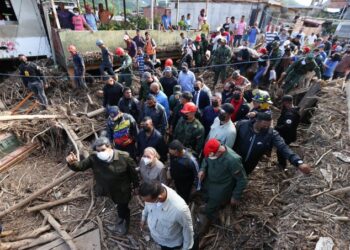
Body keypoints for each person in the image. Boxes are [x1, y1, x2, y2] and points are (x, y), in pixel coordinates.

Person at [66, 137, 139, 235]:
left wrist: (136, 186)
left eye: (103, 150)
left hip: (122, 191)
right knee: (117, 204)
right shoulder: (94, 158)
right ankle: (120, 218)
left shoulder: (124, 157)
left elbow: (133, 174)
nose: (101, 153)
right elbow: (81, 166)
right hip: (107, 190)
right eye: (98, 151)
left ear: (111, 147)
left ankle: (124, 225)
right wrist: (72, 163)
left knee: (123, 208)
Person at [234, 112, 311, 175]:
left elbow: (283, 147)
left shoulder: (271, 134)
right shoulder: (242, 124)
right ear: (257, 120)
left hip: (249, 165)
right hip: (234, 161)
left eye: (269, 124)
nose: (267, 127)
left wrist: (298, 162)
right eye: (264, 124)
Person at [197, 139, 247, 234]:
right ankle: (208, 206)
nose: (210, 157)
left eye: (212, 156)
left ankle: (212, 218)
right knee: (205, 197)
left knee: (211, 207)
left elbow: (242, 180)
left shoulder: (233, 160)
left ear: (219, 152)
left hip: (221, 189)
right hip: (209, 182)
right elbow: (206, 159)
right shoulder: (212, 149)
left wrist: (236, 196)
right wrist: (202, 169)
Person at [139, 181, 194, 250]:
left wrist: (186, 248)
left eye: (149, 201)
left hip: (171, 244)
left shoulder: (179, 210)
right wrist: (143, 217)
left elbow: (187, 230)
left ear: (159, 198)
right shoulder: (154, 190)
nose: (146, 202)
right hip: (158, 238)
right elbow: (147, 206)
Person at [275, 95, 300, 170]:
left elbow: (287, 127)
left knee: (281, 150)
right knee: (281, 149)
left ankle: (282, 165)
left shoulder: (290, 114)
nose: (283, 104)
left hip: (286, 136)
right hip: (287, 134)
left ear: (286, 103)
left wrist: (276, 128)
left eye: (283, 103)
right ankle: (282, 163)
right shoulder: (291, 110)